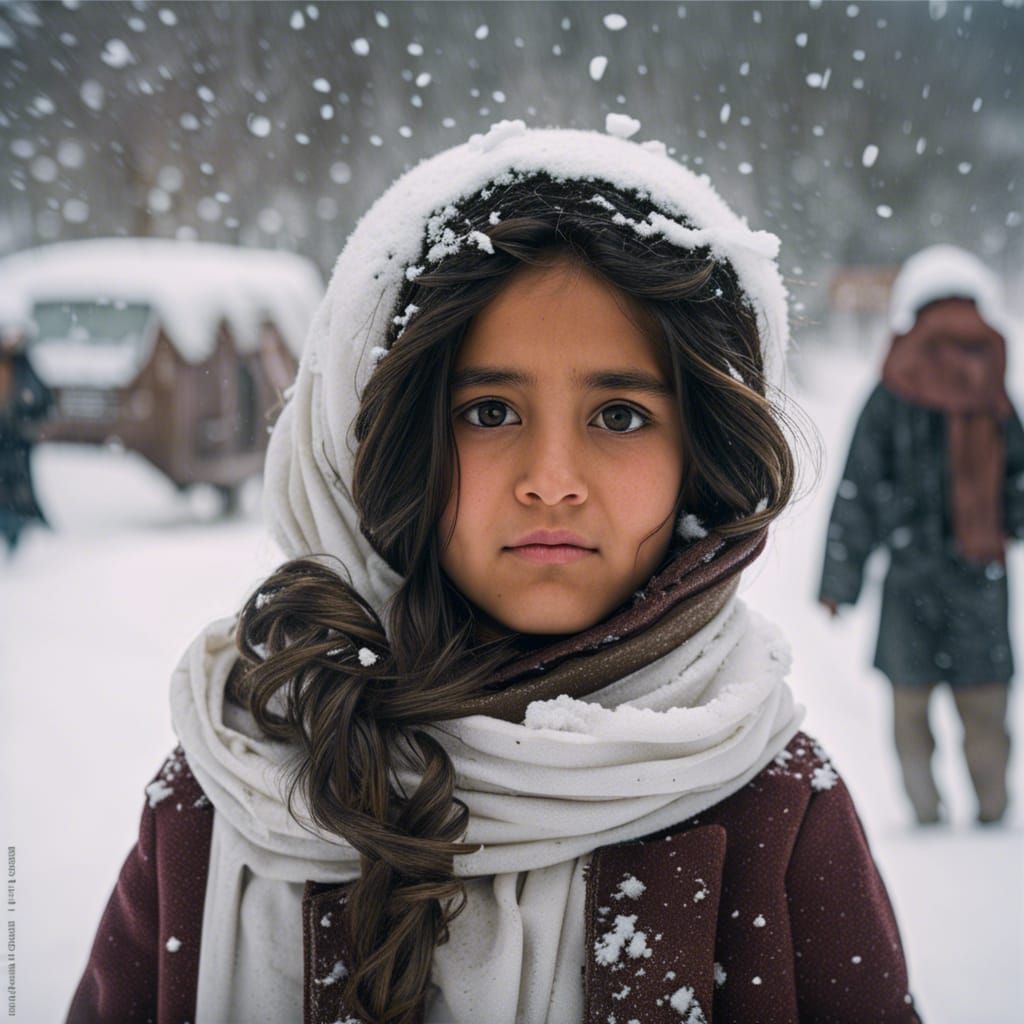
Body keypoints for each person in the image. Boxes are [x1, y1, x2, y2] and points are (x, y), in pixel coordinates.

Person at [68, 123, 920, 1024]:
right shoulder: (235, 782)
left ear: (697, 455)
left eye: (621, 416)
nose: (551, 478)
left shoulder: (770, 805)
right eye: (488, 409)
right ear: (382, 445)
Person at [819, 244, 1022, 827]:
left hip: (908, 571)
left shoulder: (895, 382)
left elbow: (858, 485)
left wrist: (842, 578)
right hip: (981, 573)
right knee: (984, 703)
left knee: (909, 704)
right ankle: (992, 810)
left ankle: (926, 814)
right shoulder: (992, 381)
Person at [0, 323, 51, 554]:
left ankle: (20, 540)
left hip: (15, 444)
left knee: (18, 494)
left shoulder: (23, 365)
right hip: (8, 442)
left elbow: (42, 400)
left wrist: (25, 417)